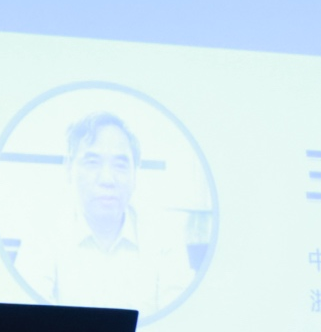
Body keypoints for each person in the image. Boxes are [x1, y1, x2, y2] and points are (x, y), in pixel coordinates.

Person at [13, 112, 193, 314]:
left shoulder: (165, 237)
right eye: (92, 162)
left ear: (135, 173)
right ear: (69, 168)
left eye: (120, 165)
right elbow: (30, 320)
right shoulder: (43, 233)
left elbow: (178, 322)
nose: (107, 179)